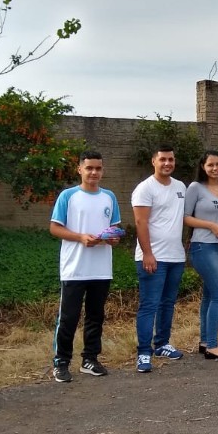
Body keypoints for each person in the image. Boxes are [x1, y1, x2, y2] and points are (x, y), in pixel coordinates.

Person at [49, 150, 122, 383]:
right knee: (68, 317)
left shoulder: (109, 197)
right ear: (79, 169)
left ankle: (90, 359)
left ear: (103, 170)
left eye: (98, 168)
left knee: (95, 316)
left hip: (101, 269)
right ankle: (61, 362)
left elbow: (117, 229)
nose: (94, 172)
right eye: (89, 168)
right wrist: (81, 237)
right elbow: (55, 228)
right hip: (74, 268)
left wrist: (112, 237)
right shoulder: (68, 196)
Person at [131, 144, 187, 374]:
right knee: (149, 305)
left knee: (167, 303)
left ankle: (162, 343)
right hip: (153, 257)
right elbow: (140, 222)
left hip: (176, 256)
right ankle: (144, 352)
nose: (167, 163)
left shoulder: (180, 186)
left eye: (171, 159)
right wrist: (147, 253)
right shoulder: (145, 188)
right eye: (162, 159)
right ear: (153, 161)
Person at [184, 150, 218, 361]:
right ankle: (214, 345)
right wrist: (211, 225)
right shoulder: (195, 188)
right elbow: (185, 217)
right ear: (203, 167)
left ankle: (205, 342)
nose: (215, 168)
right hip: (203, 246)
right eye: (210, 165)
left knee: (209, 294)